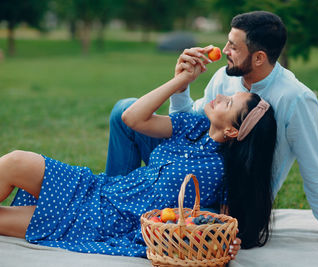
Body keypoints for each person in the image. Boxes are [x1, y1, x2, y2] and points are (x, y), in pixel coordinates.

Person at [106, 10, 318, 242]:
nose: (224, 51)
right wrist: (181, 84)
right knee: (124, 111)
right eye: (227, 42)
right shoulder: (226, 76)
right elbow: (187, 122)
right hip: (196, 165)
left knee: (127, 112)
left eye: (234, 47)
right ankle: (115, 203)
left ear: (259, 58)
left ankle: (120, 213)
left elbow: (314, 166)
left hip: (226, 195)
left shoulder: (296, 98)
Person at [0, 62, 276, 257]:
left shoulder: (225, 172)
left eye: (228, 103)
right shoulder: (194, 126)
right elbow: (131, 118)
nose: (219, 97)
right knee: (16, 161)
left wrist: (228, 243)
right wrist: (181, 79)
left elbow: (221, 227)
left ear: (232, 131)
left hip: (106, 221)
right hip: (100, 189)